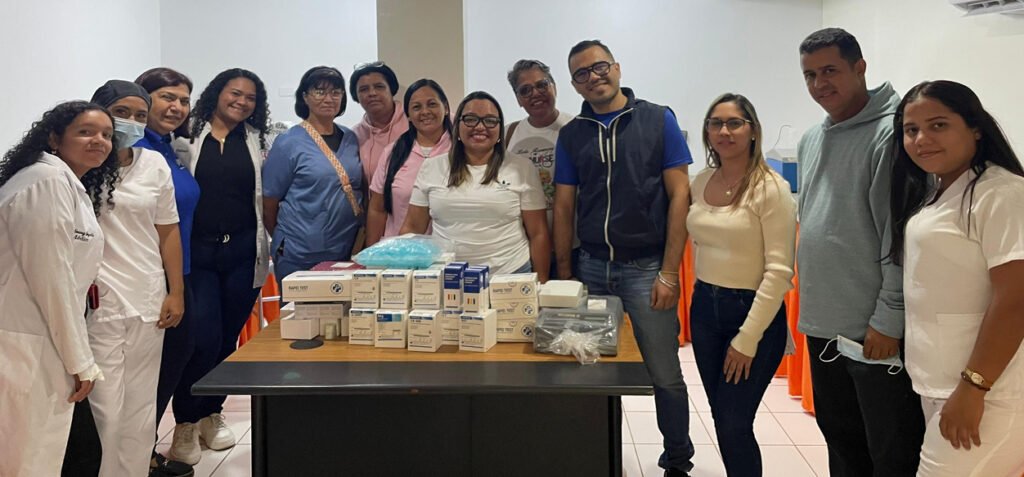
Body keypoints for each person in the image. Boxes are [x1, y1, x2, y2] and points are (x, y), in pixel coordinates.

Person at [552, 39, 694, 477]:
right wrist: (565, 274)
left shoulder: (657, 119)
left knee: (664, 373)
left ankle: (677, 460)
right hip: (592, 268)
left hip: (646, 269)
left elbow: (680, 195)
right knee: (590, 370)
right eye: (581, 74)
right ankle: (598, 456)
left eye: (599, 67)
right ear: (574, 84)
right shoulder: (572, 134)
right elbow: (563, 206)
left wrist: (669, 272)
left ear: (616, 67)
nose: (593, 77)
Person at [795, 28, 924, 476]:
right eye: (810, 75)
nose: (819, 84)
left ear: (860, 67)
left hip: (873, 332)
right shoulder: (812, 138)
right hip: (824, 325)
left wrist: (888, 319)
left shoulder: (892, 136)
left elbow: (901, 235)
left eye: (830, 70)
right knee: (842, 442)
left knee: (890, 454)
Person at [889, 80, 1024, 477]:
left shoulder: (1001, 193)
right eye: (911, 130)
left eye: (938, 125)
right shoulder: (940, 192)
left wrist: (974, 387)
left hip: (990, 391)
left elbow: (1016, 299)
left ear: (975, 128)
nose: (921, 139)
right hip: (942, 384)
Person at [161, 68, 272, 465]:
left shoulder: (258, 139)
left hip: (243, 252)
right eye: (234, 93)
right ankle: (186, 421)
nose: (241, 102)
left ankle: (212, 412)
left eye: (250, 97)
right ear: (217, 93)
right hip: (198, 255)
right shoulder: (185, 135)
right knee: (201, 339)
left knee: (227, 340)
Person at [0, 101, 116, 477]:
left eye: (107, 134)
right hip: (25, 343)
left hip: (43, 341)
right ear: (54, 138)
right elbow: (53, 280)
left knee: (69, 454)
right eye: (85, 132)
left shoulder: (63, 183)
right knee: (35, 459)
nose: (99, 140)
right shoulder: (44, 182)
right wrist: (80, 361)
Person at [687, 93, 796, 476]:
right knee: (721, 416)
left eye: (734, 123)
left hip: (751, 315)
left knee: (735, 422)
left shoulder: (771, 188)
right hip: (705, 309)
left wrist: (747, 339)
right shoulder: (701, 181)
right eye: (716, 123)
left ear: (752, 130)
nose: (724, 131)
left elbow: (779, 272)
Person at [84, 80, 184, 477]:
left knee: (141, 406)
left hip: (148, 298)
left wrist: (176, 291)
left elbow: (168, 231)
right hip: (99, 303)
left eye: (140, 115)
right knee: (105, 408)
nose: (131, 122)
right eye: (121, 113)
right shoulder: (83, 166)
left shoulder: (154, 164)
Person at [401, 91, 550, 279]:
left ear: (499, 129)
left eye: (490, 120)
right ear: (458, 126)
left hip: (510, 274)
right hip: (447, 277)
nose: (480, 127)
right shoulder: (432, 167)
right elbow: (413, 227)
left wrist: (541, 283)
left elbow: (538, 233)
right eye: (470, 119)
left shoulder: (522, 168)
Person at [134, 67, 201, 477]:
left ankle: (142, 450)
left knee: (169, 366)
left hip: (178, 275)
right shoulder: (132, 149)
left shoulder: (167, 147)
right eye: (167, 97)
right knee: (149, 373)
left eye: (183, 100)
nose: (177, 107)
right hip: (148, 278)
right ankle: (135, 456)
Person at [263, 66, 363, 289]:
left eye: (335, 92)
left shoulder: (350, 138)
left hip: (345, 249)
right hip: (299, 253)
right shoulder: (288, 142)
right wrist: (288, 237)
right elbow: (269, 202)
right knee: (298, 309)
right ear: (305, 97)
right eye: (319, 91)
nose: (328, 98)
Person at [505, 59, 577, 272]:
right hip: (525, 249)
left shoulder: (577, 129)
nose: (535, 94)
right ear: (518, 99)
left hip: (576, 248)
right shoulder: (507, 134)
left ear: (554, 87)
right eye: (525, 90)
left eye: (542, 85)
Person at [366, 79, 453, 246]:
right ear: (408, 116)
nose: (425, 112)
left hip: (448, 253)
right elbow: (377, 209)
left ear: (446, 108)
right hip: (400, 253)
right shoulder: (393, 153)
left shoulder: (461, 150)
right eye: (416, 107)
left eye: (432, 104)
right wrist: (370, 253)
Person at [350, 61, 408, 182]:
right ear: (356, 97)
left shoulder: (413, 122)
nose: (372, 93)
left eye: (379, 87)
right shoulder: (354, 136)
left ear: (391, 89)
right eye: (364, 89)